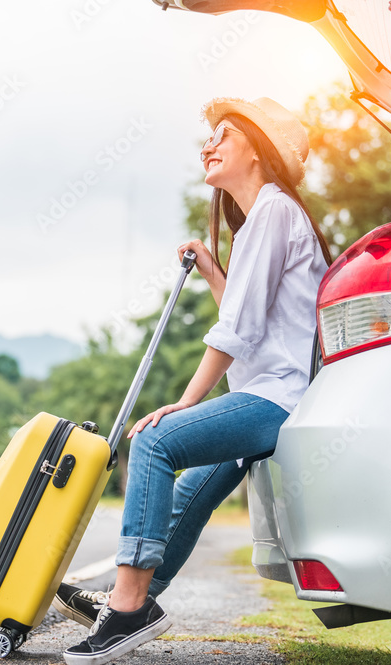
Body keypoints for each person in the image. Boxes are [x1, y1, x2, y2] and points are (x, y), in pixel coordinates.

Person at [55, 97, 333, 665]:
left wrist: (184, 403)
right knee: (186, 495)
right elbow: (247, 316)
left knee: (155, 439)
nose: (208, 145)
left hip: (278, 399)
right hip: (263, 396)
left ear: (257, 148)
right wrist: (212, 268)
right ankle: (129, 603)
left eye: (222, 134)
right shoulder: (263, 219)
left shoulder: (275, 211)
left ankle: (127, 610)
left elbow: (238, 330)